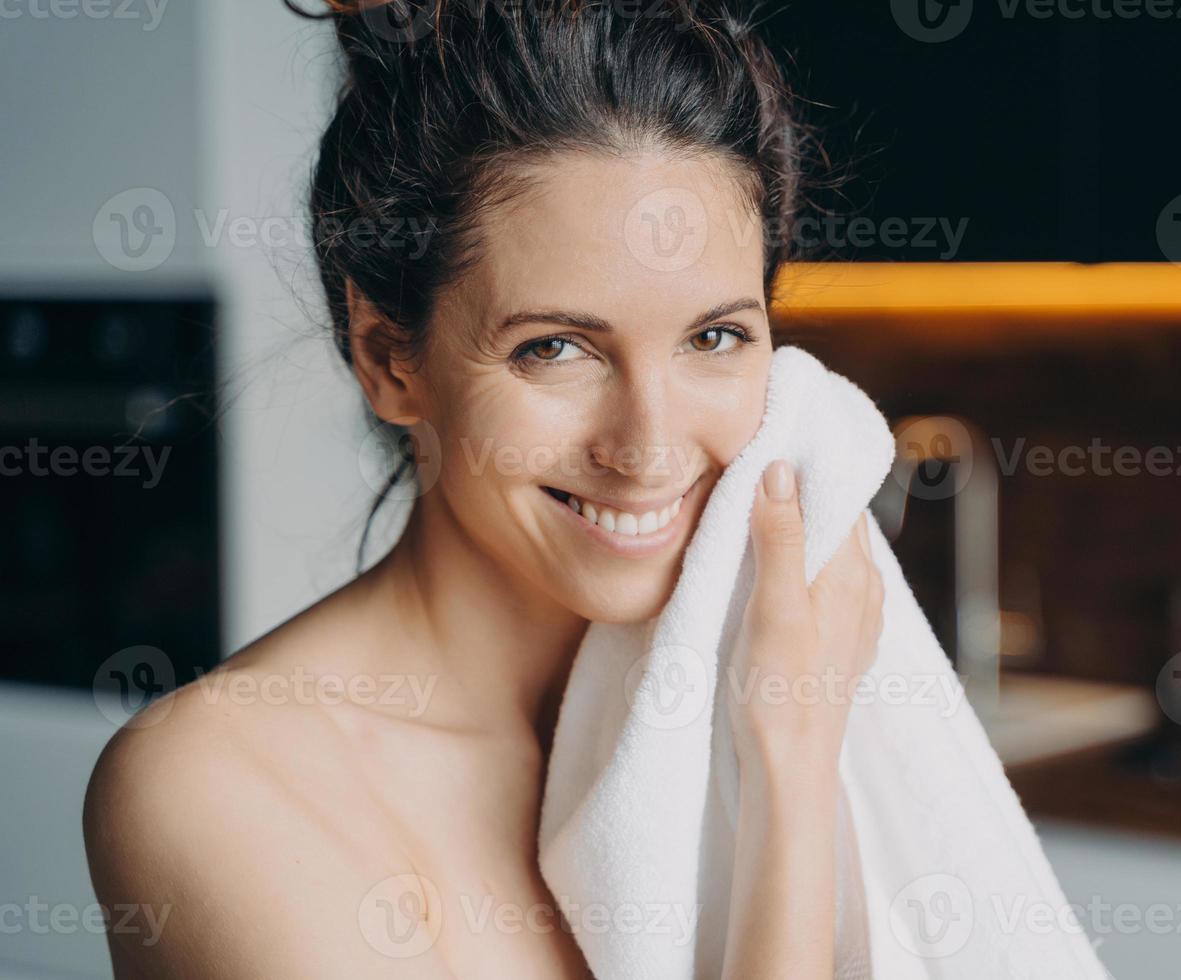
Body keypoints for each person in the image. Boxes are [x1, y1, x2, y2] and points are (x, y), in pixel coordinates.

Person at [82, 1, 884, 976]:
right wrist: (789, 780)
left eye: (712, 336)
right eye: (554, 347)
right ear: (390, 358)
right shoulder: (218, 785)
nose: (648, 443)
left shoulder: (766, 669)